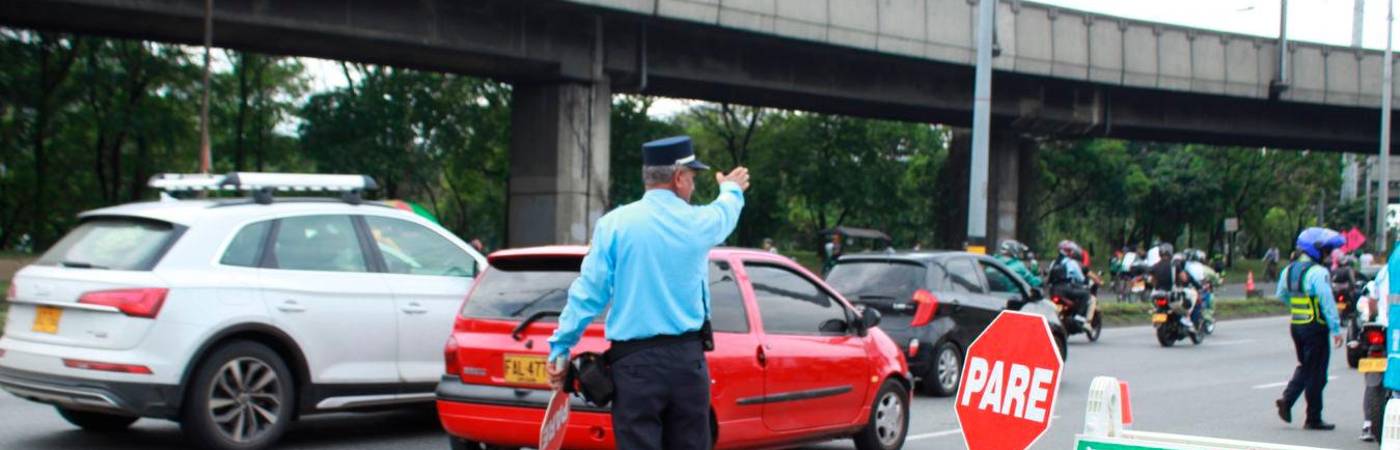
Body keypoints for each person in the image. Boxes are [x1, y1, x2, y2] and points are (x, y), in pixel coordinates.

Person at [546, 135, 750, 450]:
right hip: (687, 364)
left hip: (634, 368)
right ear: (679, 178)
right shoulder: (697, 223)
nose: (693, 187)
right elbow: (725, 213)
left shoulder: (614, 225)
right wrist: (731, 188)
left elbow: (588, 293)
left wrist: (561, 349)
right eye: (692, 178)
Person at [1273, 227, 1345, 431]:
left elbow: (1282, 295)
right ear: (1316, 250)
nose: (1329, 254)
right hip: (1315, 328)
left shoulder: (1289, 270)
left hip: (1297, 326)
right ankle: (1312, 417)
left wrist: (1298, 306)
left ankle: (1288, 401)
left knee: (1307, 366)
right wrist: (1336, 328)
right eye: (1326, 250)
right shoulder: (1318, 273)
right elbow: (1327, 301)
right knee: (1317, 373)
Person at [1047, 240, 1091, 325]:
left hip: (1053, 290)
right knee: (1085, 294)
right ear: (1065, 251)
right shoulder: (1071, 262)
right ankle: (1079, 316)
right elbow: (1080, 278)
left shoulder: (1053, 263)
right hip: (1066, 289)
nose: (1072, 252)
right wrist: (1084, 281)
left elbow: (1049, 278)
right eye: (1070, 250)